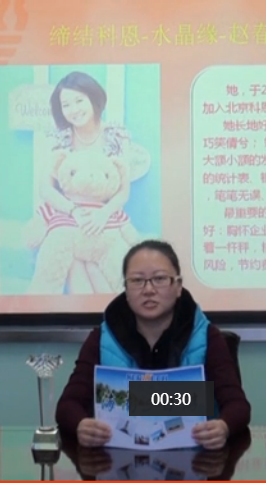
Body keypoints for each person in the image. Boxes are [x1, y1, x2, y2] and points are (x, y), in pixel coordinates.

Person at [55, 240, 251, 450]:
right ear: (126, 290)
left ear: (178, 286)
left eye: (159, 279)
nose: (148, 290)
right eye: (137, 280)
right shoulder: (102, 337)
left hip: (195, 459)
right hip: (118, 461)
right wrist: (81, 425)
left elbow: (237, 405)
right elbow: (68, 405)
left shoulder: (206, 336)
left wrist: (223, 427)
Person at [35, 70, 150, 294]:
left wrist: (103, 214)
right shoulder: (58, 137)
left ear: (93, 98)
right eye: (66, 104)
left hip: (104, 219)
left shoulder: (117, 135)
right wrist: (73, 211)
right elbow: (45, 188)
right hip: (67, 218)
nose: (74, 109)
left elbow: (123, 191)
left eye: (79, 100)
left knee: (102, 272)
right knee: (75, 266)